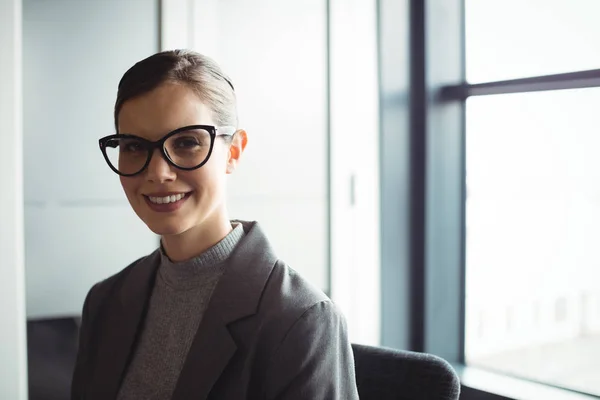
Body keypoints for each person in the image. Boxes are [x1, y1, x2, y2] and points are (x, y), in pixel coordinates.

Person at [71, 49, 359, 400]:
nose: (158, 172)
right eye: (134, 146)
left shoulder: (301, 320)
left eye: (187, 142)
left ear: (233, 152)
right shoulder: (105, 301)